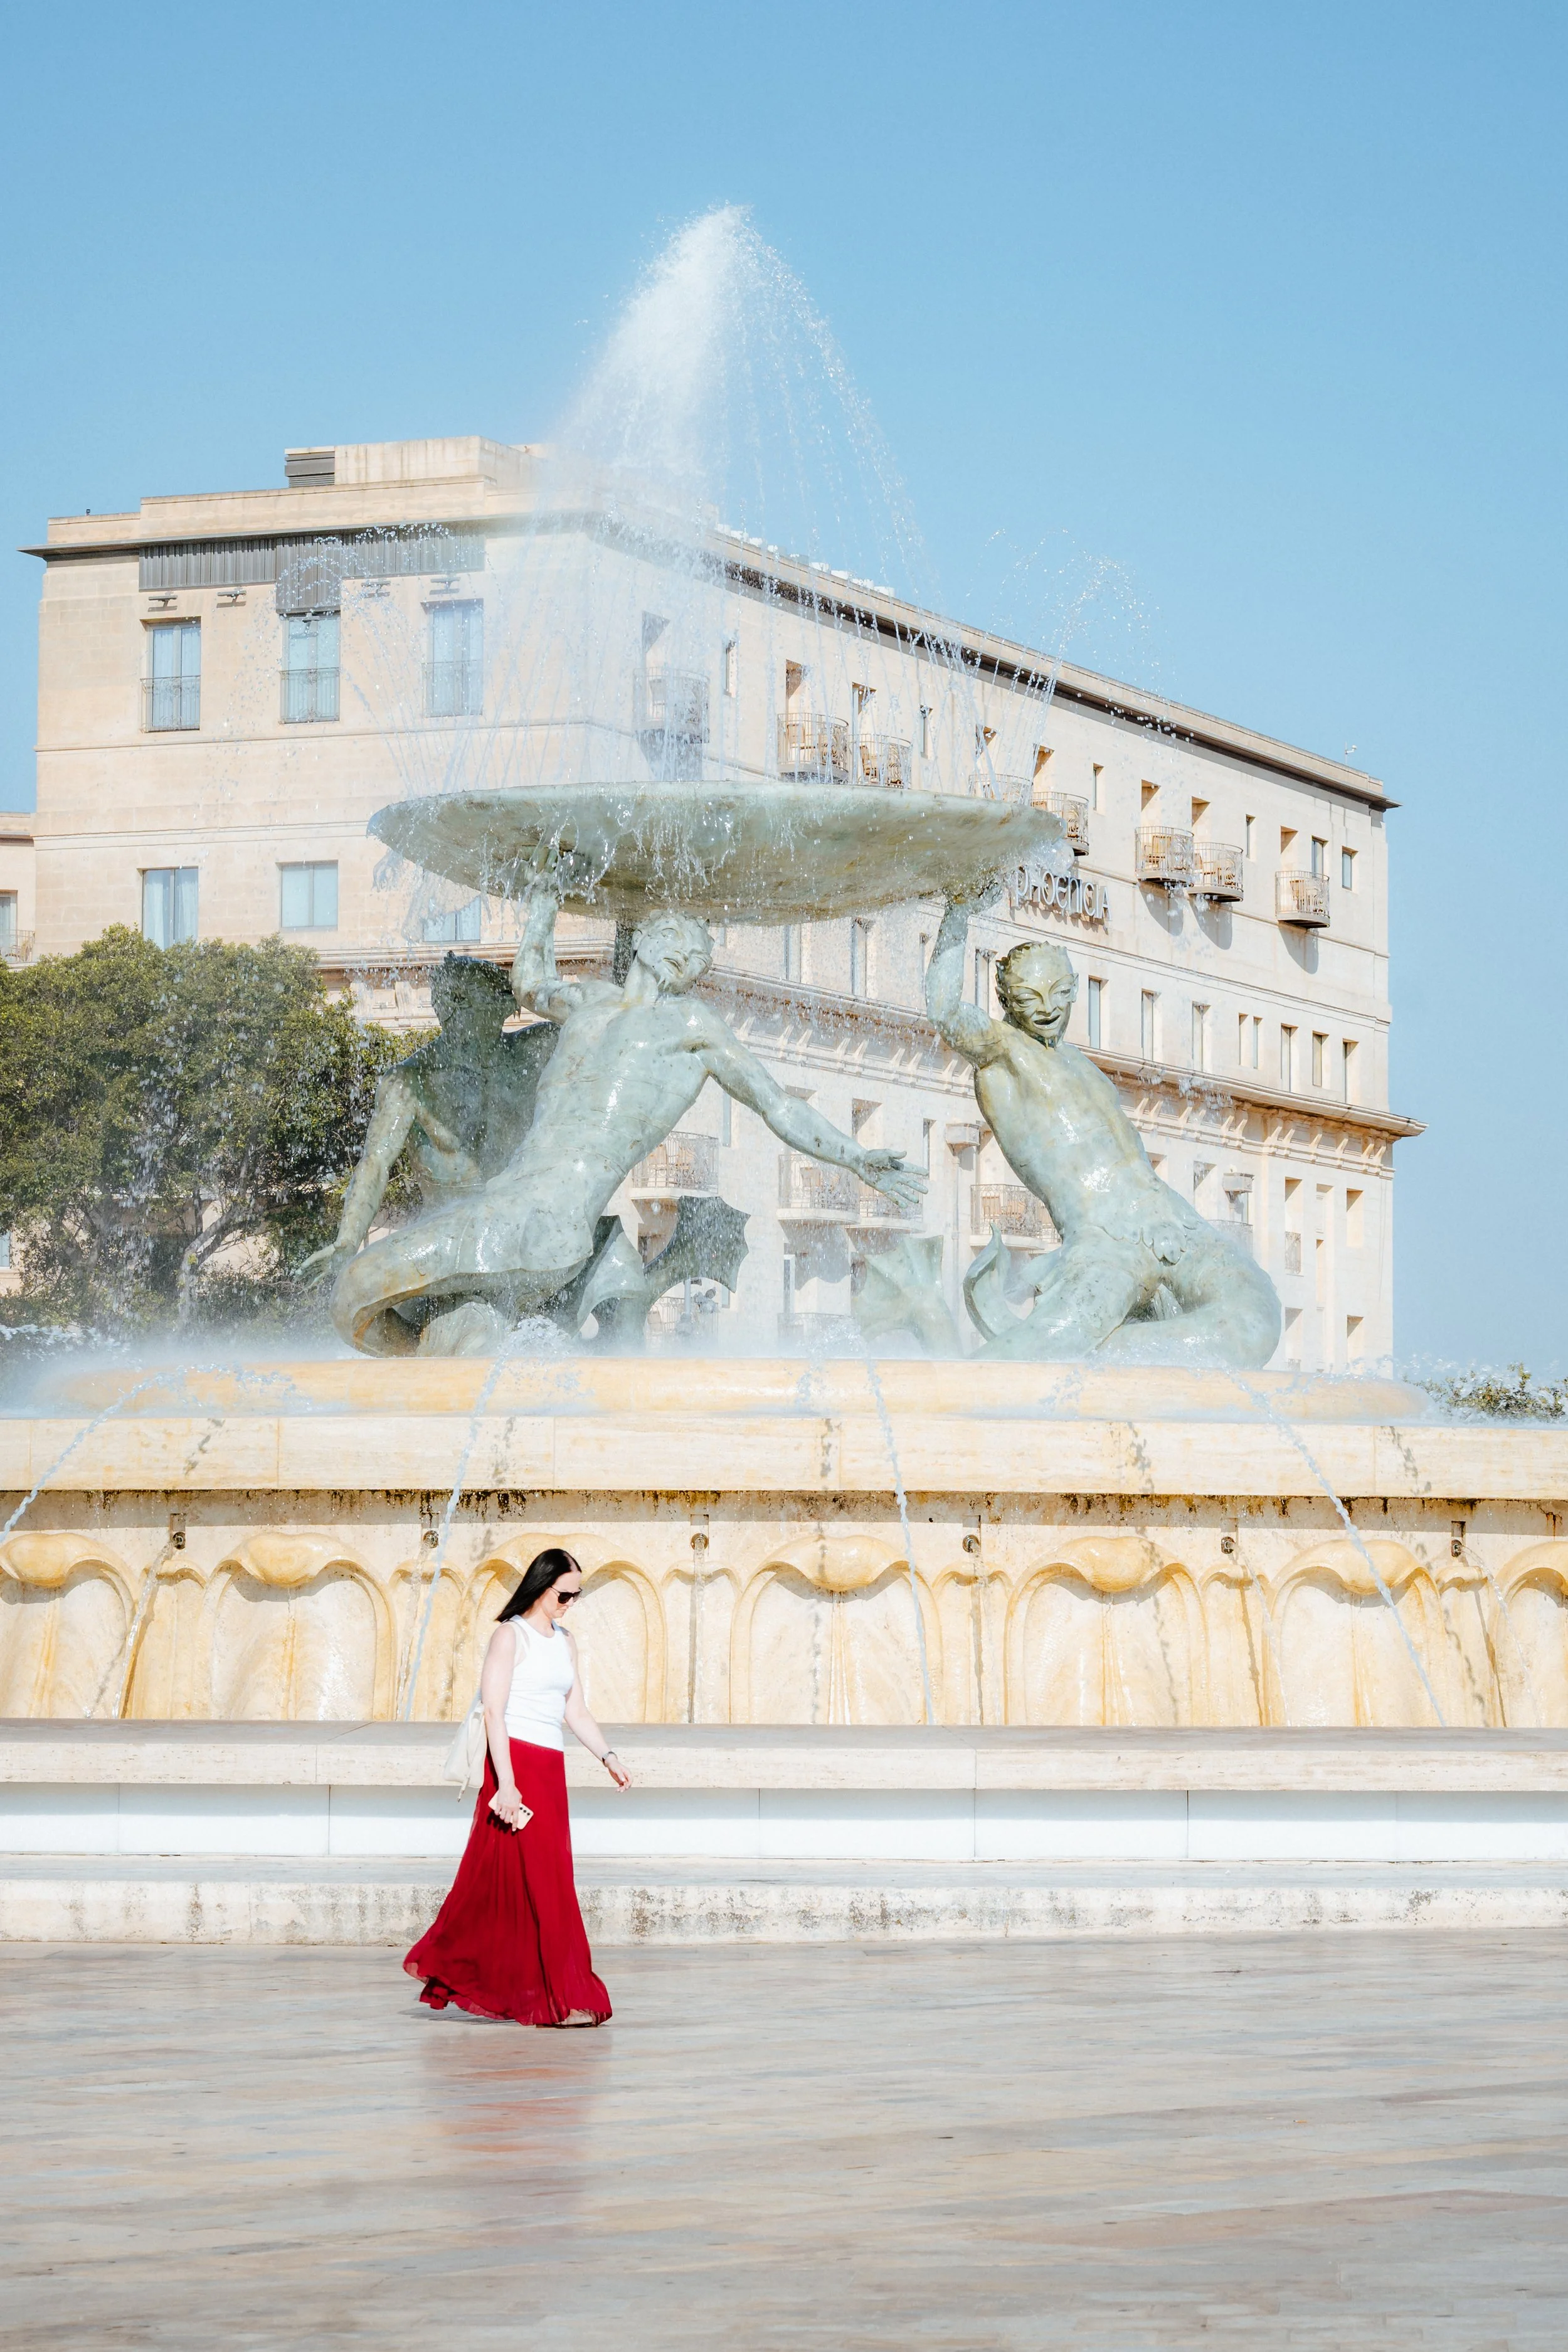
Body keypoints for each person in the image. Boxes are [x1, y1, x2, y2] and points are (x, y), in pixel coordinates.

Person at [332, 859, 925, 1355]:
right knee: (396, 1315)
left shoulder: (691, 1025)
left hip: (548, 1224)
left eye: (698, 955)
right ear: (640, 938)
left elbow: (777, 1105)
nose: (686, 956)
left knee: (358, 1289)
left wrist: (856, 1157)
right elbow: (531, 983)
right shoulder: (590, 1001)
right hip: (502, 1204)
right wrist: (545, 898)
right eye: (675, 938)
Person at [926, 896, 1281, 1365]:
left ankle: (1092, 1359)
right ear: (1008, 1001)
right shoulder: (1003, 1053)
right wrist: (958, 908)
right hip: (1105, 1239)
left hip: (1172, 1221)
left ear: (1074, 990)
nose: (1049, 1008)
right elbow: (945, 1010)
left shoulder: (1077, 1061)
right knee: (1036, 1353)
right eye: (1031, 999)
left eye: (1060, 993)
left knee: (1255, 1320)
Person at [405, 1547, 629, 2026]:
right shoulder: (510, 1636)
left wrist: (607, 1756)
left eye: (577, 1594)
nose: (572, 1602)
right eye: (566, 1593)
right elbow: (494, 1713)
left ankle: (537, 1989)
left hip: (549, 1770)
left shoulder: (565, 1641)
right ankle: (557, 1997)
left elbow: (576, 1712)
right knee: (524, 1883)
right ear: (543, 1586)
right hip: (515, 1767)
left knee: (544, 1880)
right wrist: (506, 1785)